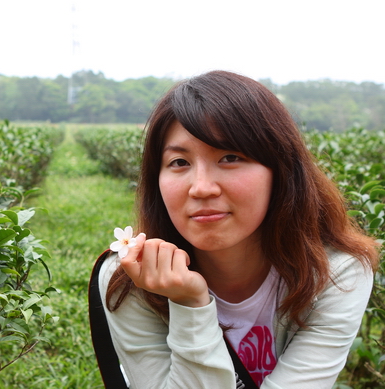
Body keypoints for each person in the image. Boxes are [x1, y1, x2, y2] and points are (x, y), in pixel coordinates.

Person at [97, 70, 380, 388]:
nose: (201, 188)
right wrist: (190, 303)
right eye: (179, 162)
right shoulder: (133, 278)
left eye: (230, 157)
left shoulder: (336, 273)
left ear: (281, 170)